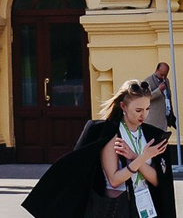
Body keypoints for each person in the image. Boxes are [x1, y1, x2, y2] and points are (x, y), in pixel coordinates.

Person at [20, 79, 174, 218]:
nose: (144, 115)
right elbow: (114, 180)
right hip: (116, 207)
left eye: (147, 109)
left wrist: (134, 157)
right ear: (123, 107)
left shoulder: (150, 135)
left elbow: (157, 181)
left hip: (144, 205)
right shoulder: (111, 133)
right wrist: (142, 158)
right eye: (138, 110)